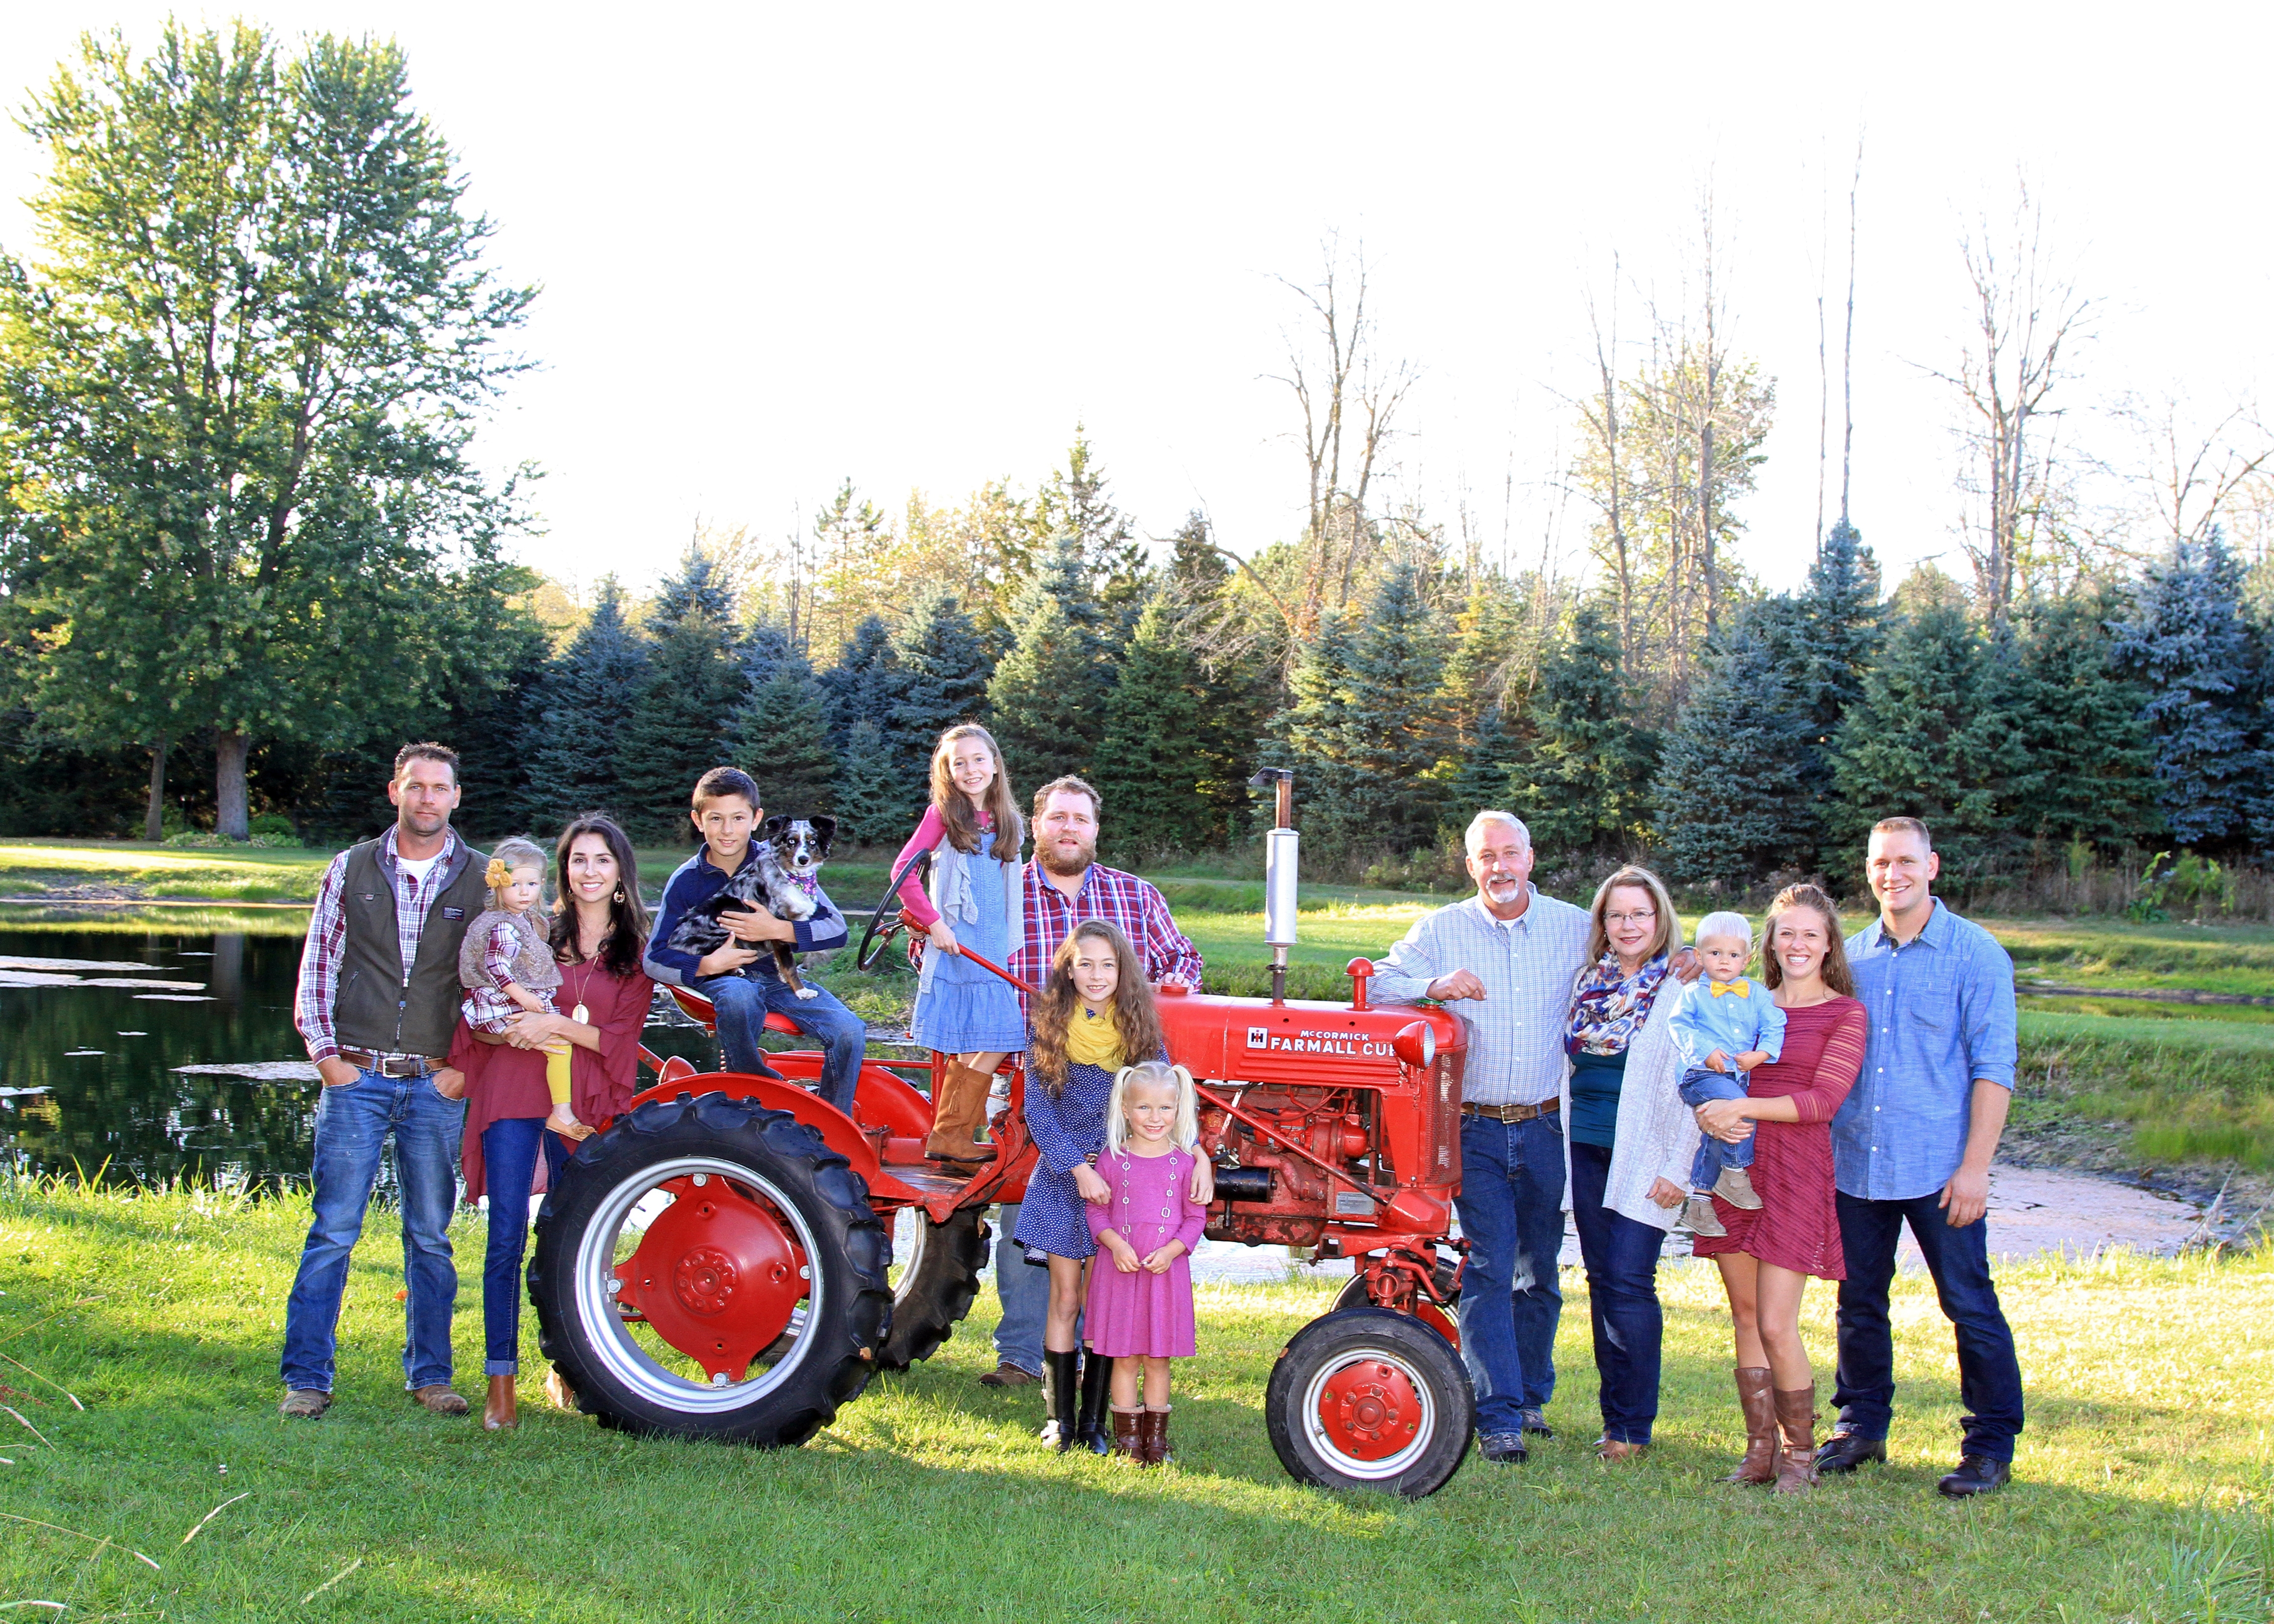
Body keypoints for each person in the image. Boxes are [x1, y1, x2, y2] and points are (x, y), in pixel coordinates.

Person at [1370, 811, 1591, 1464]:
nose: (1499, 866)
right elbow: (1379, 985)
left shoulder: (1572, 926)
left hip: (1547, 1124)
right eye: (1485, 856)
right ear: (1470, 866)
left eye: (1510, 853)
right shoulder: (1441, 930)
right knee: (1492, 1267)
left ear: (1530, 857)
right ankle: (1495, 1414)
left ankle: (1529, 1398)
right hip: (1475, 1127)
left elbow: (1637, 952)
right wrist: (1432, 986)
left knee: (1538, 1271)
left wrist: (1689, 960)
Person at [279, 743, 486, 1420]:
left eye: (439, 788)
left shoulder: (484, 880)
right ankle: (307, 1378)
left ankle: (431, 1376)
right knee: (334, 1230)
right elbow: (318, 965)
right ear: (395, 792)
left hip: (435, 1085)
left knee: (430, 1235)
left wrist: (463, 1069)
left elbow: (497, 989)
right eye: (415, 786)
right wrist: (326, 1057)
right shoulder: (351, 868)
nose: (427, 798)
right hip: (357, 1078)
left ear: (457, 797)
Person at [1818, 817, 2024, 1499]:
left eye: (1905, 861)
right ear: (1868, 870)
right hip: (1857, 1164)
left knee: (1968, 1303)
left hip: (1940, 1168)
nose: (1891, 875)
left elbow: (1994, 1068)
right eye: (1880, 863)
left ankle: (1989, 1446)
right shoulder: (1849, 958)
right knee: (1858, 1302)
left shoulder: (1976, 954)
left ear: (1931, 866)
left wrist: (1976, 1167)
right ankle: (1861, 1425)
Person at [979, 774, 1206, 1391]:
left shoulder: (1135, 896)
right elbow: (947, 961)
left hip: (1118, 1086)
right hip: (1027, 1070)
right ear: (1037, 825)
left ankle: (1102, 1346)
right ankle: (1023, 1352)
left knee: (1115, 1218)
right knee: (1025, 1208)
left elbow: (1185, 961)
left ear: (1096, 829)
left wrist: (1139, 1008)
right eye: (1057, 818)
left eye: (1080, 818)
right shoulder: (1002, 895)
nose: (1069, 828)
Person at [452, 814, 653, 1430]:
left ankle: (568, 1361)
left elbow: (618, 1046)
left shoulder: (638, 952)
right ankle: (500, 1380)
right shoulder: (531, 929)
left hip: (584, 1106)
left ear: (620, 873)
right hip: (514, 1090)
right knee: (506, 1236)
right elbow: (480, 992)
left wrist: (555, 1026)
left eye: (601, 860)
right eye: (577, 860)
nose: (587, 871)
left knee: (575, 1243)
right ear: (562, 871)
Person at [1691, 884, 1867, 1494]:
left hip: (1793, 1166)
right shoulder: (1740, 1001)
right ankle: (1758, 1450)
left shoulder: (1844, 1013)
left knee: (1774, 1320)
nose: (1796, 944)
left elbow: (1823, 1101)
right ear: (1768, 941)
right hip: (1735, 1162)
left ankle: (1799, 1457)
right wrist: (1710, 1106)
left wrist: (1742, 1103)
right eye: (1785, 933)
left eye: (1809, 935)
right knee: (1743, 1314)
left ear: (1827, 946)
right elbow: (1701, 1065)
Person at [1556, 865, 1698, 1461]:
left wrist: (1680, 1166)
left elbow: (1704, 1080)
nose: (1628, 924)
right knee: (1600, 1280)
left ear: (1659, 918)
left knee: (1631, 1281)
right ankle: (1612, 1418)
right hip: (1585, 1147)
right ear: (1603, 924)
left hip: (1647, 1155)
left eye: (1640, 913)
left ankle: (1634, 1427)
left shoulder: (1685, 986)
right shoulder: (1587, 981)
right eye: (1616, 914)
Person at [1017, 919, 1166, 1454]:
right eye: (1085, 964)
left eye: (1107, 964)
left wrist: (1192, 1153)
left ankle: (1096, 1424)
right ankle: (1059, 1421)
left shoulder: (1140, 1028)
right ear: (1068, 969)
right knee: (1066, 1297)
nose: (1097, 974)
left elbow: (1164, 1096)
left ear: (1121, 969)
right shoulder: (1048, 1024)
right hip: (1064, 1176)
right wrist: (1077, 1169)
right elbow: (1037, 1108)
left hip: (1120, 1182)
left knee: (1106, 1303)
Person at [645, 767, 866, 1115]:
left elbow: (836, 929)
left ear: (756, 818)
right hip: (720, 979)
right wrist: (705, 965)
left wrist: (777, 930)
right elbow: (653, 959)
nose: (728, 830)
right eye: (716, 819)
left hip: (775, 977)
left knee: (849, 1031)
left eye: (738, 818)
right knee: (739, 994)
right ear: (698, 821)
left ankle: (832, 1118)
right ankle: (760, 1088)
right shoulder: (686, 880)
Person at [891, 725, 1027, 1163]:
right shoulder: (942, 816)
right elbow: (902, 872)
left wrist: (1010, 946)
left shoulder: (1006, 820)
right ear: (947, 772)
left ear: (994, 764)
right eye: (959, 763)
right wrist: (934, 924)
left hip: (991, 947)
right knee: (1001, 1035)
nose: (971, 769)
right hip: (958, 944)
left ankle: (949, 1137)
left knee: (981, 1041)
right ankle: (951, 1133)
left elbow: (1008, 891)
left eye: (978, 759)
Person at [1085, 1061, 1209, 1467]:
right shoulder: (1112, 1159)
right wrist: (1115, 1245)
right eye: (1143, 1109)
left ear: (1178, 1110)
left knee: (1158, 1359)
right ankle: (1127, 1443)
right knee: (1124, 1357)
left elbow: (1195, 1219)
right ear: (1124, 1109)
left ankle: (1156, 1443)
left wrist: (1173, 1250)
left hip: (1164, 1275)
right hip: (1120, 1272)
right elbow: (1096, 1214)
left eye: (1164, 1109)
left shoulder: (1185, 1164)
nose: (1154, 1118)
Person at [457, 838, 584, 1141]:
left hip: (508, 1003)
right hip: (499, 1004)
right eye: (515, 885)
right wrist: (525, 997)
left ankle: (559, 1108)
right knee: (561, 1046)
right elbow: (496, 967)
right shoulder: (503, 925)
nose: (525, 892)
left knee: (562, 1042)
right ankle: (561, 1112)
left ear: (542, 883)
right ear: (498, 886)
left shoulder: (527, 921)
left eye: (532, 884)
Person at [1669, 911, 1788, 1236]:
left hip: (1736, 1076)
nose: (1724, 962)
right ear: (1698, 956)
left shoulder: (1757, 995)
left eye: (1733, 955)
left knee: (1717, 1132)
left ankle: (1699, 1203)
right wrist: (1705, 1051)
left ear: (1746, 959)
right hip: (1698, 1074)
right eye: (1715, 953)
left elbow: (1775, 1024)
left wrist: (1761, 1054)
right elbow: (1679, 1026)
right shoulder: (1693, 994)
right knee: (1741, 1109)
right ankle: (1734, 1173)